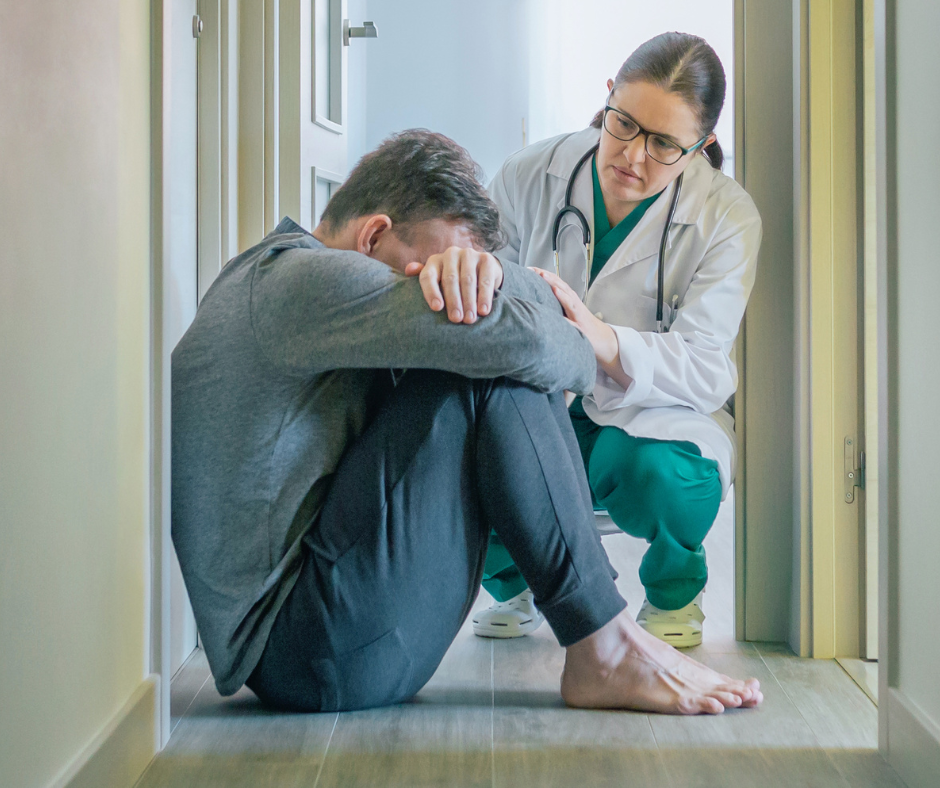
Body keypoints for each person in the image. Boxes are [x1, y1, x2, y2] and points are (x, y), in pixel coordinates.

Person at [172, 129, 763, 715]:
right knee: (486, 365)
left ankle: (603, 636)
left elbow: (550, 342)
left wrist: (498, 276)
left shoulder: (276, 279)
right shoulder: (305, 282)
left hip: (331, 639)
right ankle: (603, 645)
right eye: (437, 272)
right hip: (311, 653)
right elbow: (567, 352)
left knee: (487, 351)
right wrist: (503, 297)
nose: (447, 287)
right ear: (374, 235)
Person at [462, 33, 762, 648]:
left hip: (648, 411)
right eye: (622, 124)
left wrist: (602, 340)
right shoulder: (530, 174)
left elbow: (707, 366)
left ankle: (673, 599)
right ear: (607, 99)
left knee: (672, 477)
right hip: (538, 392)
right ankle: (512, 584)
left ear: (700, 147)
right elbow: (481, 290)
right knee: (473, 448)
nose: (632, 155)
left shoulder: (727, 218)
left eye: (664, 144)